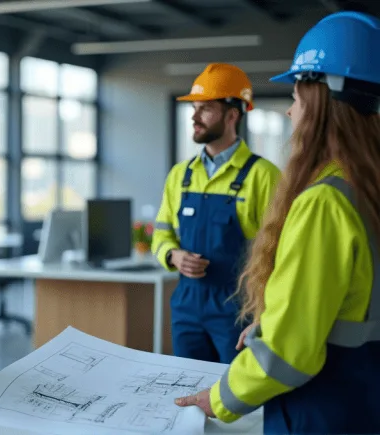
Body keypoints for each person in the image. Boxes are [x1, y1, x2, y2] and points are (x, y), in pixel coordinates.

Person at [174, 10, 380, 434]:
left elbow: (289, 352)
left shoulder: (325, 200)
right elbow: (339, 299)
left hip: (322, 406)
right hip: (362, 393)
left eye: (296, 98)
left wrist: (217, 400)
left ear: (322, 101)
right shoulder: (366, 188)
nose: (289, 113)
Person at [151, 63, 281, 364]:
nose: (194, 117)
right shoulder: (180, 175)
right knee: (187, 391)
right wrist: (172, 255)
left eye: (205, 109)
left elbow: (280, 251)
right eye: (194, 108)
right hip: (187, 307)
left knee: (239, 400)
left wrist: (267, 313)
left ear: (232, 114)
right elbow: (162, 231)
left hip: (238, 310)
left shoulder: (264, 176)